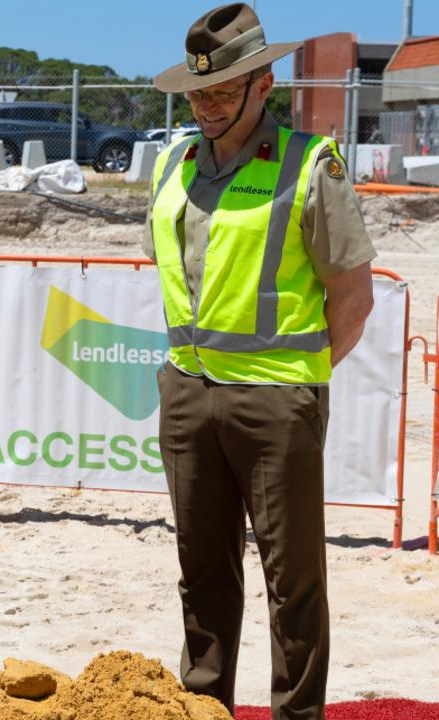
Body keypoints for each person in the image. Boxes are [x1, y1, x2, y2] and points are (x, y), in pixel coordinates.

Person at [145, 5, 377, 719]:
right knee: (202, 573)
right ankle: (205, 707)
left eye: (220, 92)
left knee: (293, 583)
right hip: (187, 394)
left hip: (277, 402)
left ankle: (296, 715)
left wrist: (299, 380)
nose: (206, 106)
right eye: (196, 93)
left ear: (263, 84)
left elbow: (352, 297)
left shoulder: (312, 165)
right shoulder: (170, 163)